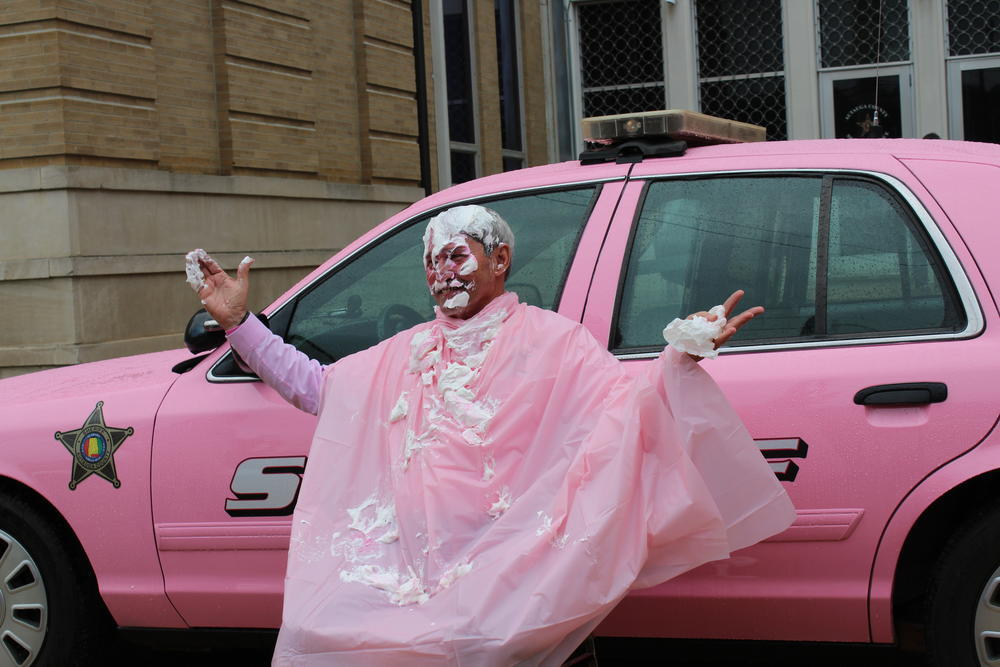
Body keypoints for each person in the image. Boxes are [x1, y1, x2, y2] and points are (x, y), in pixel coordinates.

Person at [190, 205, 795, 666]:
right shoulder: (408, 351)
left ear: (499, 260)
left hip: (525, 589)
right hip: (423, 590)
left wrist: (680, 357)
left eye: (455, 257)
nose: (441, 274)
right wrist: (241, 325)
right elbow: (318, 388)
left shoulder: (553, 342)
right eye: (431, 263)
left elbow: (626, 408)